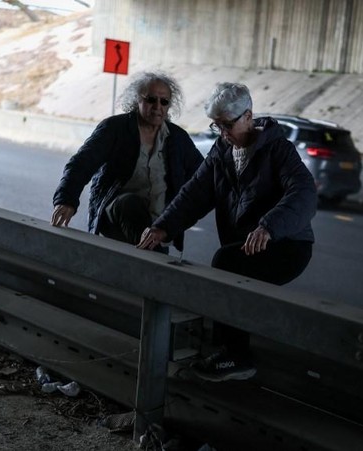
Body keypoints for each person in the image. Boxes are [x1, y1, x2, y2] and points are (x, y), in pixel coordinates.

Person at [137, 82, 317, 382]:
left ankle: (236, 357)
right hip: (246, 246)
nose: (222, 133)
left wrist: (269, 225)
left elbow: (304, 193)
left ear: (248, 116)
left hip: (288, 244)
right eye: (217, 126)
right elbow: (196, 193)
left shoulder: (278, 149)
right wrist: (162, 227)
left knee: (226, 264)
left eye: (228, 125)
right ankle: (229, 351)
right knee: (231, 268)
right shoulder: (223, 151)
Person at [51, 71, 204, 252]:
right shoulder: (115, 128)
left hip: (157, 224)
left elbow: (202, 177)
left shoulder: (178, 139)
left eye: (164, 102)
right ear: (137, 100)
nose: (157, 106)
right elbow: (81, 163)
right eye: (150, 100)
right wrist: (66, 199)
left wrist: (177, 218)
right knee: (130, 204)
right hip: (116, 212)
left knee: (154, 246)